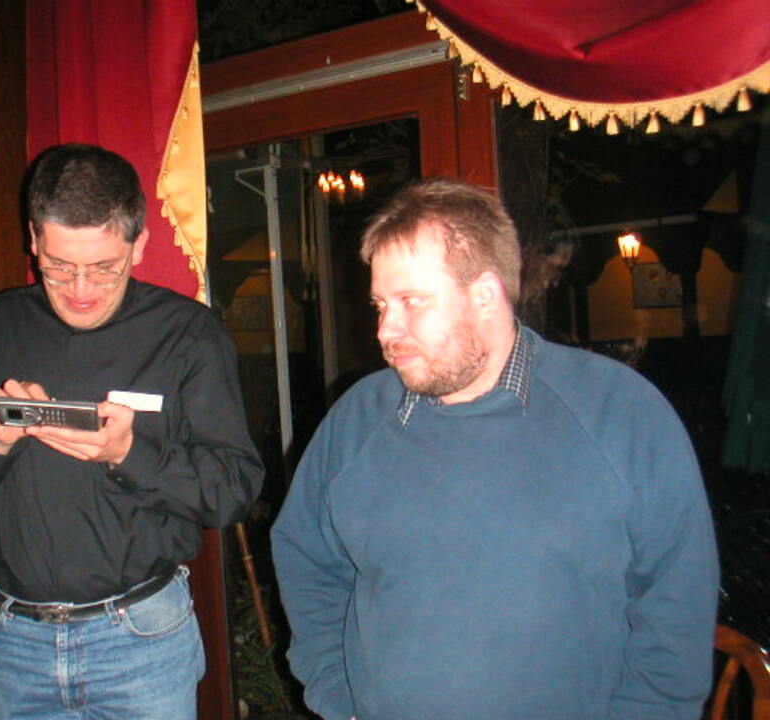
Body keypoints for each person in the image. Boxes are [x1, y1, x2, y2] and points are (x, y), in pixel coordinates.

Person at [271, 179, 720, 720]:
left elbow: (676, 606)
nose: (386, 329)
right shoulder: (358, 419)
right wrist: (338, 694)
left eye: (411, 301)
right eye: (381, 304)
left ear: (484, 294)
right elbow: (307, 560)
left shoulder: (619, 412)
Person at [0, 142, 264, 719]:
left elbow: (233, 491)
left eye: (104, 268)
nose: (80, 289)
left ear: (139, 244)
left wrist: (128, 452)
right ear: (33, 240)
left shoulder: (188, 335)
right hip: (14, 642)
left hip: (140, 639)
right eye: (58, 266)